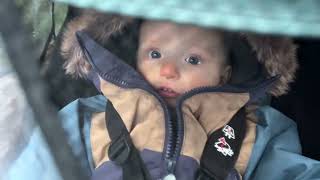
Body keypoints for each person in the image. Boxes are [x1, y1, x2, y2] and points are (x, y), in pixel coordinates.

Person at [58, 10, 320, 180]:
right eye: (155, 54)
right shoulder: (89, 118)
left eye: (193, 59)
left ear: (224, 75)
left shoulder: (259, 130)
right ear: (134, 58)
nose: (168, 70)